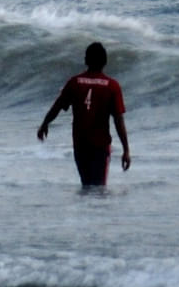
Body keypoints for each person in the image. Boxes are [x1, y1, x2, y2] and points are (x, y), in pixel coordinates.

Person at [37, 42, 131, 189]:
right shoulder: (112, 86)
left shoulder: (74, 83)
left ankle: (85, 211)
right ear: (105, 62)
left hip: (80, 145)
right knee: (99, 188)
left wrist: (45, 124)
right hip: (101, 145)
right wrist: (126, 149)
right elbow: (118, 120)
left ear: (86, 60)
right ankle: (94, 212)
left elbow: (57, 106)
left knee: (87, 185)